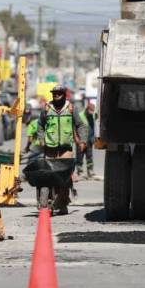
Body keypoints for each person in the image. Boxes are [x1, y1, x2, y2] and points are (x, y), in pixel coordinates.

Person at [37, 85, 89, 215]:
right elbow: (40, 125)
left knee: (64, 178)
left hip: (65, 149)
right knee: (46, 177)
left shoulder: (71, 108)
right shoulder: (47, 109)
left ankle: (62, 203)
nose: (56, 96)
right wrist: (41, 139)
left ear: (64, 95)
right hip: (49, 149)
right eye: (54, 94)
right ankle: (44, 205)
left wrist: (82, 140)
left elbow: (80, 125)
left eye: (59, 94)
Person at [75, 101, 97, 178]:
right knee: (80, 157)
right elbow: (75, 127)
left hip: (89, 140)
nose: (91, 114)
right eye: (90, 112)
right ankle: (80, 171)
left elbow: (94, 127)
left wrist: (94, 138)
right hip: (81, 140)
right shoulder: (80, 115)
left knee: (89, 156)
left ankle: (90, 171)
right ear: (86, 109)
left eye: (92, 112)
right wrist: (77, 139)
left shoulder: (92, 116)